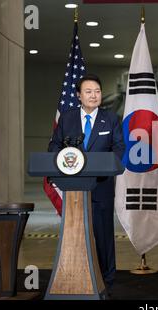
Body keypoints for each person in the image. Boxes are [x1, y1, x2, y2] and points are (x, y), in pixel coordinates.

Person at [48, 74, 126, 293]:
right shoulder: (67, 118)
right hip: (73, 189)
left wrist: (110, 165)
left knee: (104, 238)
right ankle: (74, 277)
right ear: (78, 95)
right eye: (89, 91)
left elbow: (119, 148)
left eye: (98, 91)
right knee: (75, 235)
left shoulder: (111, 118)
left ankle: (106, 283)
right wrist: (58, 162)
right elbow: (54, 145)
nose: (94, 95)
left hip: (101, 188)